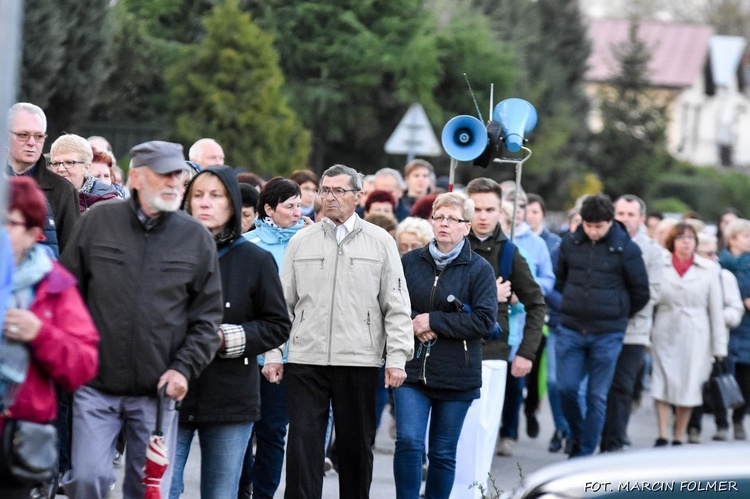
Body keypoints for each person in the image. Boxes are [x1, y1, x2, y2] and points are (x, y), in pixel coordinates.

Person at [59, 141, 224, 498]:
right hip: (94, 384)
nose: (173, 183)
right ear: (135, 176)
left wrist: (183, 368)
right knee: (88, 479)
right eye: (163, 174)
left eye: (178, 175)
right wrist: (73, 356)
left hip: (158, 392)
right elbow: (65, 293)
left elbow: (207, 319)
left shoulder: (195, 237)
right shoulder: (97, 222)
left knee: (146, 489)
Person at [265, 164, 413, 499]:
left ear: (358, 197)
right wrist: (274, 354)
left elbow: (397, 304)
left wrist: (398, 358)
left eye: (338, 191)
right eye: (324, 190)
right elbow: (281, 306)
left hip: (359, 359)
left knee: (355, 449)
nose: (330, 197)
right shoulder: (302, 240)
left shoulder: (381, 242)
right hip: (306, 358)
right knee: (302, 446)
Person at [168, 167, 291, 499]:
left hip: (230, 394)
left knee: (221, 493)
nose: (205, 203)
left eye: (216, 195)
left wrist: (228, 338)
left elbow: (277, 324)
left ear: (234, 204)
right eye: (197, 195)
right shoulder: (168, 252)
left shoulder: (255, 259)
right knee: (162, 488)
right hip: (171, 389)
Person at [0, 177, 98, 499]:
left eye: (7, 221)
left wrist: (40, 334)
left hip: (19, 439)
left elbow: (83, 365)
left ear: (32, 233)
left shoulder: (55, 284)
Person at [396, 192, 498, 499]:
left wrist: (434, 321)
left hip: (457, 372)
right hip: (411, 368)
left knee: (441, 452)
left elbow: (483, 322)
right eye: (439, 217)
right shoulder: (410, 261)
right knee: (410, 443)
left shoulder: (479, 269)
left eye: (453, 219)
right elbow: (389, 304)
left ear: (466, 227)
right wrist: (415, 320)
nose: (444, 224)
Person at [451, 178, 545, 496]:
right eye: (476, 208)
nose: (482, 216)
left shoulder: (509, 253)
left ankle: (473, 493)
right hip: (447, 349)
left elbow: (536, 303)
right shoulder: (449, 244)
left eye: (490, 209)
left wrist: (526, 353)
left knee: (481, 431)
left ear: (499, 211)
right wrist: (491, 291)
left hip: (490, 353)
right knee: (447, 435)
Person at [555, 193, 649, 457]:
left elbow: (640, 291)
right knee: (566, 388)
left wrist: (618, 313)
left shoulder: (627, 249)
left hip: (608, 333)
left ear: (610, 222)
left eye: (599, 226)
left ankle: (583, 454)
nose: (594, 231)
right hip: (572, 329)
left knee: (597, 396)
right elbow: (560, 279)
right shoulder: (570, 243)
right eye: (589, 225)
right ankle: (577, 435)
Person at [238, 177, 306, 499]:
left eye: (299, 205)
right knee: (242, 429)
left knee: (273, 431)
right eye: (289, 206)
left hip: (290, 353)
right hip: (250, 350)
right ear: (268, 209)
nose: (297, 212)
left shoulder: (308, 242)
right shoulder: (247, 245)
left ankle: (263, 494)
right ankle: (242, 489)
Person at [651, 222, 726, 446]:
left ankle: (678, 435)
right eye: (681, 238)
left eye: (690, 238)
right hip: (665, 327)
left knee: (689, 385)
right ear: (672, 242)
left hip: (696, 332)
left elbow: (716, 310)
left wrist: (719, 347)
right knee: (661, 382)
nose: (686, 242)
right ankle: (662, 433)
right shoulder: (659, 265)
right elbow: (650, 300)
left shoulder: (709, 269)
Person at [600, 195, 664, 452]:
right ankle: (594, 436)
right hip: (602, 328)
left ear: (642, 219)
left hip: (634, 331)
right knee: (598, 387)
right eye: (621, 213)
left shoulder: (653, 251)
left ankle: (613, 444)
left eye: (630, 214)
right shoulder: (603, 242)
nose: (624, 219)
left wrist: (621, 306)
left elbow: (655, 292)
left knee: (622, 387)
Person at [687, 232, 743, 442]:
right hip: (693, 338)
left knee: (718, 383)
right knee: (694, 385)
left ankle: (723, 424)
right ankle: (693, 427)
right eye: (707, 253)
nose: (713, 258)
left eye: (714, 253)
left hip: (718, 339)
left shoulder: (724, 276)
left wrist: (719, 316)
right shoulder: (692, 275)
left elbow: (735, 308)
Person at [5, 103, 78, 256]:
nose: (32, 143)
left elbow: (70, 255)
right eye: (23, 135)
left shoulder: (64, 190)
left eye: (39, 136)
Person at [523, 193, 562, 444]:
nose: (530, 216)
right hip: (518, 313)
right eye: (527, 211)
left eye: (536, 211)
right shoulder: (514, 238)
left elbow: (553, 280)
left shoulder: (553, 243)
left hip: (543, 315)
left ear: (542, 215)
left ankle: (532, 408)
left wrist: (530, 287)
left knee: (538, 370)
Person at [718, 218, 750, 441]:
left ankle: (738, 419)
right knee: (719, 377)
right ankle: (721, 423)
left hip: (747, 330)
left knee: (746, 381)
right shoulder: (718, 263)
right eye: (746, 236)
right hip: (724, 327)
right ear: (732, 239)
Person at [50, 134, 120, 212]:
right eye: (56, 163)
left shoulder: (108, 203)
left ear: (86, 168)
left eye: (69, 163)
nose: (61, 169)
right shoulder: (40, 196)